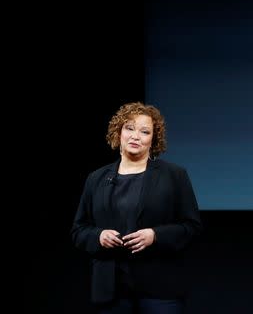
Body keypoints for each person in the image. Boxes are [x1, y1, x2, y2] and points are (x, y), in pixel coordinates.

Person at [72, 102, 202, 312]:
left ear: (153, 139)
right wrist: (98, 236)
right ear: (118, 133)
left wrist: (155, 235)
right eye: (129, 128)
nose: (135, 136)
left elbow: (191, 227)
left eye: (144, 131)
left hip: (160, 287)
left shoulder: (174, 175)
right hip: (111, 289)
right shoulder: (96, 178)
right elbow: (78, 230)